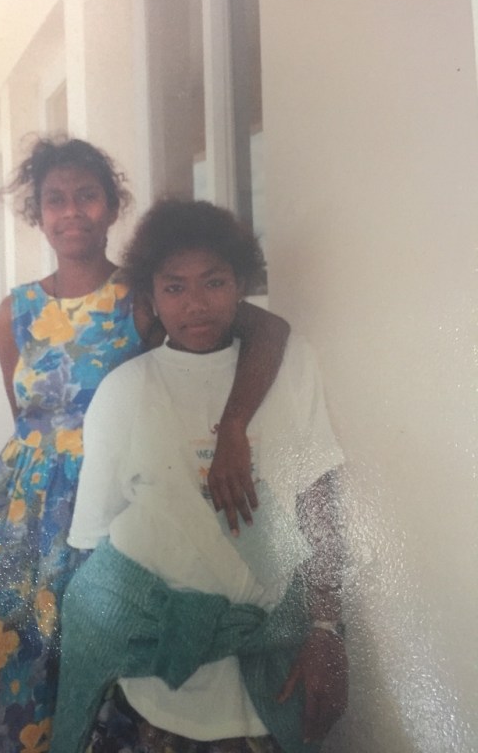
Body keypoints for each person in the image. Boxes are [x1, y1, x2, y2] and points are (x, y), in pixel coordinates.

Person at [0, 138, 290, 753]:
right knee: (16, 649)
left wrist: (233, 426)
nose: (71, 211)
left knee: (104, 650)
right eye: (55, 200)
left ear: (111, 206)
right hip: (23, 512)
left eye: (87, 196)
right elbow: (25, 418)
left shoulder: (145, 295)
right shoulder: (15, 310)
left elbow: (268, 330)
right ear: (38, 213)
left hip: (113, 505)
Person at [51, 199, 348, 753]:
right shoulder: (124, 391)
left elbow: (318, 494)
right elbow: (96, 543)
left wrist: (327, 630)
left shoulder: (292, 365)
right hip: (166, 680)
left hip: (274, 659)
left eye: (214, 282)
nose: (196, 304)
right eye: (174, 287)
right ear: (150, 297)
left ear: (241, 285)